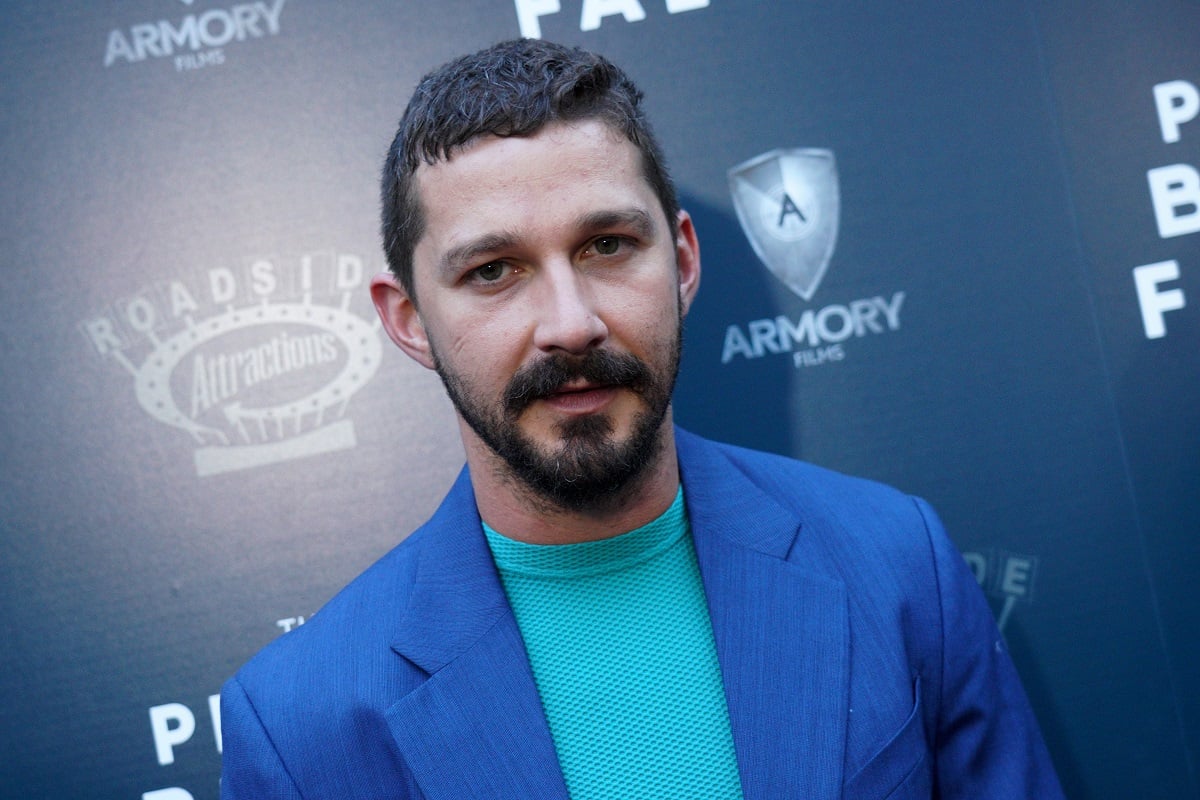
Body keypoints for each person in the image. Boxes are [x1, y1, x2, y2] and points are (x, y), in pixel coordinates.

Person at [220, 39, 1065, 799]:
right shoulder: (299, 724)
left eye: (607, 246)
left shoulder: (895, 561)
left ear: (684, 260)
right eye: (492, 270)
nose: (570, 322)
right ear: (408, 321)